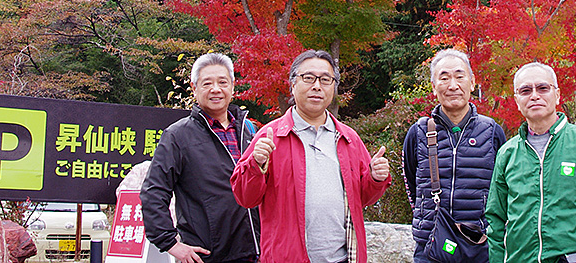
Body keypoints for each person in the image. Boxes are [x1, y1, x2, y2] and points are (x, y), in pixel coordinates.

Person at [231, 49, 391, 263]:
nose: (317, 86)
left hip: (344, 257)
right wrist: (255, 164)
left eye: (326, 79)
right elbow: (245, 198)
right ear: (293, 84)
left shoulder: (348, 138)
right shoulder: (271, 136)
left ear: (333, 87)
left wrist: (375, 178)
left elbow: (362, 199)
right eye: (308, 78)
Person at [486, 62, 576, 263]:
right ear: (517, 100)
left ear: (557, 95)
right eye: (526, 90)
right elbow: (496, 220)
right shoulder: (507, 153)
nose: (534, 95)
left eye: (543, 88)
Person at [141, 53, 260, 263]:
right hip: (208, 256)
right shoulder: (177, 136)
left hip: (256, 251)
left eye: (223, 82)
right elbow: (154, 193)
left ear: (232, 86)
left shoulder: (249, 132)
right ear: (194, 88)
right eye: (207, 83)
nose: (216, 89)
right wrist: (171, 244)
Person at [402, 49, 507, 262]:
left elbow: (502, 189)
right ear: (433, 86)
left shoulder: (491, 131)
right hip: (431, 246)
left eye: (460, 77)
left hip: (480, 245)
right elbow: (413, 185)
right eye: (444, 78)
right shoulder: (419, 132)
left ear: (472, 82)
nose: (453, 85)